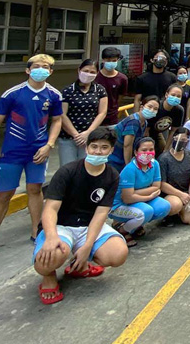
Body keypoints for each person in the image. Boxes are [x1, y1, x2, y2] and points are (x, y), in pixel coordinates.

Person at [0, 54, 66, 264]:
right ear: (27, 70)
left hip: (38, 152)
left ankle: (37, 232)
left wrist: (49, 145)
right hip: (12, 153)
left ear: (51, 72)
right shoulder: (13, 94)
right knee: (4, 195)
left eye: (45, 67)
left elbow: (57, 121)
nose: (41, 70)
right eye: (36, 66)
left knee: (35, 190)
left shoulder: (54, 95)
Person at [33, 128, 126, 305]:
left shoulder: (112, 176)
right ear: (86, 148)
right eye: (94, 146)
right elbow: (50, 209)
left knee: (118, 254)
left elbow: (101, 213)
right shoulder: (67, 171)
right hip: (61, 226)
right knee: (50, 256)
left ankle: (80, 266)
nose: (98, 151)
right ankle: (49, 277)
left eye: (104, 147)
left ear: (111, 150)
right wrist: (51, 237)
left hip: (87, 226)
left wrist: (87, 246)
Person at [111, 138, 190, 238]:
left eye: (151, 150)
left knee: (164, 206)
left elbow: (156, 187)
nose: (148, 153)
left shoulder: (155, 164)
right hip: (120, 205)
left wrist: (135, 192)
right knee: (147, 211)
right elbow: (127, 198)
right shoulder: (130, 169)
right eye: (144, 150)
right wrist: (149, 196)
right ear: (136, 152)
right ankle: (123, 230)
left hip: (138, 200)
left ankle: (135, 225)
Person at [59, 60, 111, 170]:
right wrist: (76, 135)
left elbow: (102, 113)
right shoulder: (68, 90)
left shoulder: (100, 90)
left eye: (92, 72)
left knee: (87, 168)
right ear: (79, 70)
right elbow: (62, 114)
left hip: (90, 138)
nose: (88, 74)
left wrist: (88, 133)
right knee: (68, 169)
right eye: (86, 71)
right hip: (68, 137)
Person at [161, 133, 190, 225]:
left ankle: (181, 212)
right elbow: (162, 184)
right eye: (177, 139)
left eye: (183, 140)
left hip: (186, 191)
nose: (180, 142)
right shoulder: (164, 158)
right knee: (175, 204)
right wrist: (180, 194)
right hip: (170, 193)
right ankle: (170, 215)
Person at [111, 98, 159, 168]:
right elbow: (127, 145)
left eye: (155, 109)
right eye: (149, 107)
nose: (152, 110)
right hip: (115, 158)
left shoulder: (144, 122)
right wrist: (128, 165)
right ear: (142, 107)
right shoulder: (134, 122)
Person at [93, 47, 131, 125]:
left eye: (114, 61)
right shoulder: (94, 77)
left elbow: (120, 97)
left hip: (112, 117)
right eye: (108, 60)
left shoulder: (122, 79)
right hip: (94, 116)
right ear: (103, 60)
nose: (111, 63)